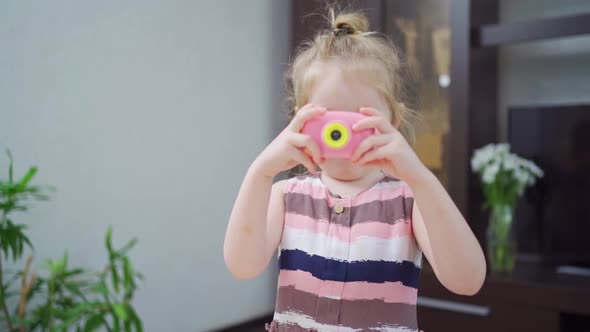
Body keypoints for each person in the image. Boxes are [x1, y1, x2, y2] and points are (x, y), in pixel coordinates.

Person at [224, 8, 486, 332]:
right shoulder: (286, 196)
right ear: (300, 121)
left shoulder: (409, 201)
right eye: (329, 123)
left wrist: (421, 178)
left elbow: (468, 281)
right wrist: (260, 173)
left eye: (357, 122)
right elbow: (241, 266)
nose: (342, 136)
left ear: (392, 122)